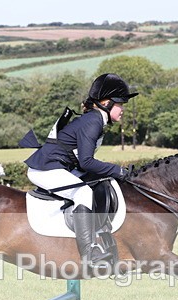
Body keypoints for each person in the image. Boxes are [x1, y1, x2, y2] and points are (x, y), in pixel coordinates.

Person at [24, 73, 138, 268]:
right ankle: (89, 253)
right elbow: (86, 162)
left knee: (99, 184)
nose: (123, 109)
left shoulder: (95, 120)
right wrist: (118, 171)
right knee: (83, 192)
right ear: (106, 103)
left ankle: (104, 240)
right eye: (120, 104)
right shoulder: (93, 121)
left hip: (57, 166)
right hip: (45, 169)